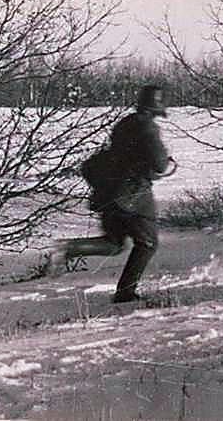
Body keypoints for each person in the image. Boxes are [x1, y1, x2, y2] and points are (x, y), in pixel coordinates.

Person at [49, 84, 171, 303]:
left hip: (108, 192)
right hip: (132, 196)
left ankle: (68, 249)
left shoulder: (124, 123)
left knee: (114, 243)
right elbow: (160, 164)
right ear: (156, 107)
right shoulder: (148, 128)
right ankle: (125, 294)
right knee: (148, 243)